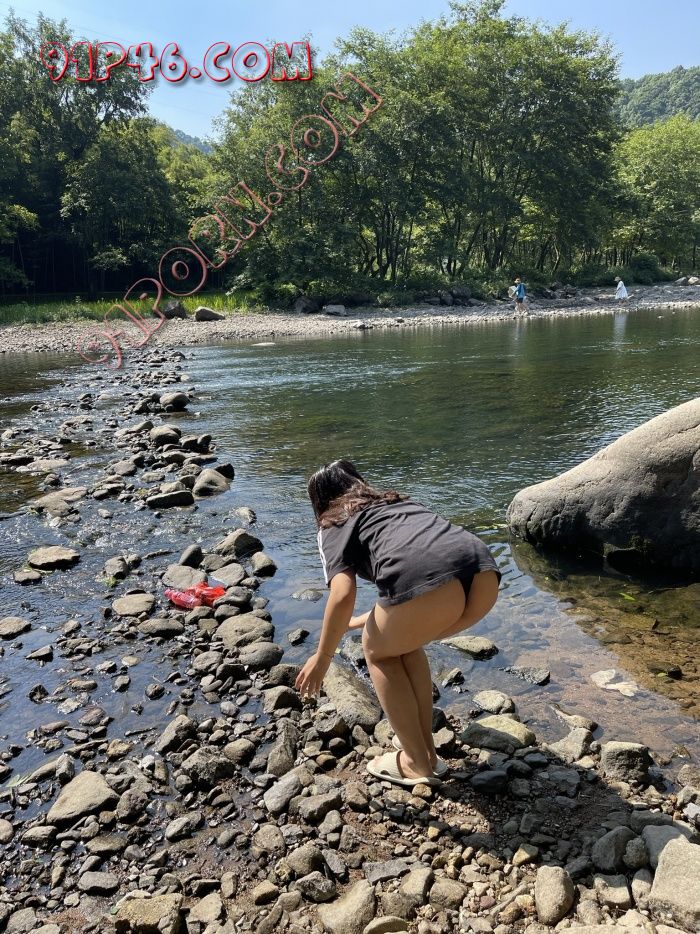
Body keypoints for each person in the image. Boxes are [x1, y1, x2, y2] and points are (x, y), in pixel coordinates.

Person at [295, 459, 501, 788]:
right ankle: (426, 752)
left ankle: (416, 762)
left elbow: (342, 593)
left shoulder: (332, 522)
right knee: (404, 645)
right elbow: (418, 576)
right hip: (482, 576)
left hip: (431, 586)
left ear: (318, 502)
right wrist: (354, 623)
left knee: (378, 653)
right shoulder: (392, 501)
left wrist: (322, 657)